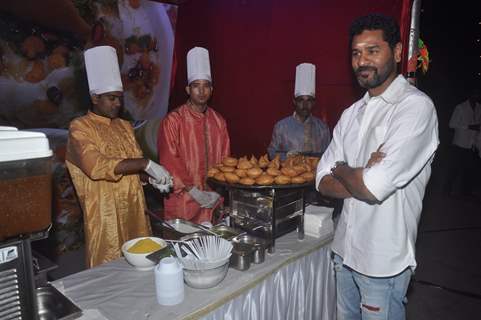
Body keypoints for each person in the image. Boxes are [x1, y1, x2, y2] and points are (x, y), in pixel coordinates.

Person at [315, 14, 439, 319]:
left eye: (373, 50)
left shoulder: (415, 108)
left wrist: (341, 167)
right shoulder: (351, 113)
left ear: (397, 52)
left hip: (383, 263)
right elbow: (320, 179)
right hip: (344, 252)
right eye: (356, 53)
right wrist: (356, 170)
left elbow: (372, 187)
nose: (362, 61)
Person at [66, 46, 172, 268]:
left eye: (120, 98)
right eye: (111, 98)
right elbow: (96, 166)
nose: (118, 104)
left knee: (142, 268)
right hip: (105, 219)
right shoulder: (79, 128)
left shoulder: (125, 126)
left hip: (135, 211)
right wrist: (146, 163)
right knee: (109, 275)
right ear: (95, 97)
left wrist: (148, 178)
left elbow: (131, 168)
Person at [157, 47, 230, 224]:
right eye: (196, 86)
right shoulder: (173, 121)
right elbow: (169, 163)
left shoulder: (219, 121)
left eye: (206, 86)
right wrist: (195, 193)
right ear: (188, 90)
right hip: (184, 202)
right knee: (184, 249)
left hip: (213, 201)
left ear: (211, 90)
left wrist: (218, 192)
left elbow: (225, 162)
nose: (201, 91)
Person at [267, 63, 330, 160]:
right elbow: (271, 153)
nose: (305, 105)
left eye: (309, 100)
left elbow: (330, 155)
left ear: (313, 103)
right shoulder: (281, 127)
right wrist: (286, 156)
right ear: (294, 102)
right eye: (301, 100)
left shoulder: (322, 128)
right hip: (289, 174)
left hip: (316, 174)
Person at [445, 87, 481, 196]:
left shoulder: (479, 108)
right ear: (469, 94)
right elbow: (451, 124)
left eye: (478, 94)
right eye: (474, 93)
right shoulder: (460, 108)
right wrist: (469, 126)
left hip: (472, 144)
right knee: (454, 169)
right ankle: (446, 191)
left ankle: (465, 193)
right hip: (459, 144)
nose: (476, 96)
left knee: (468, 171)